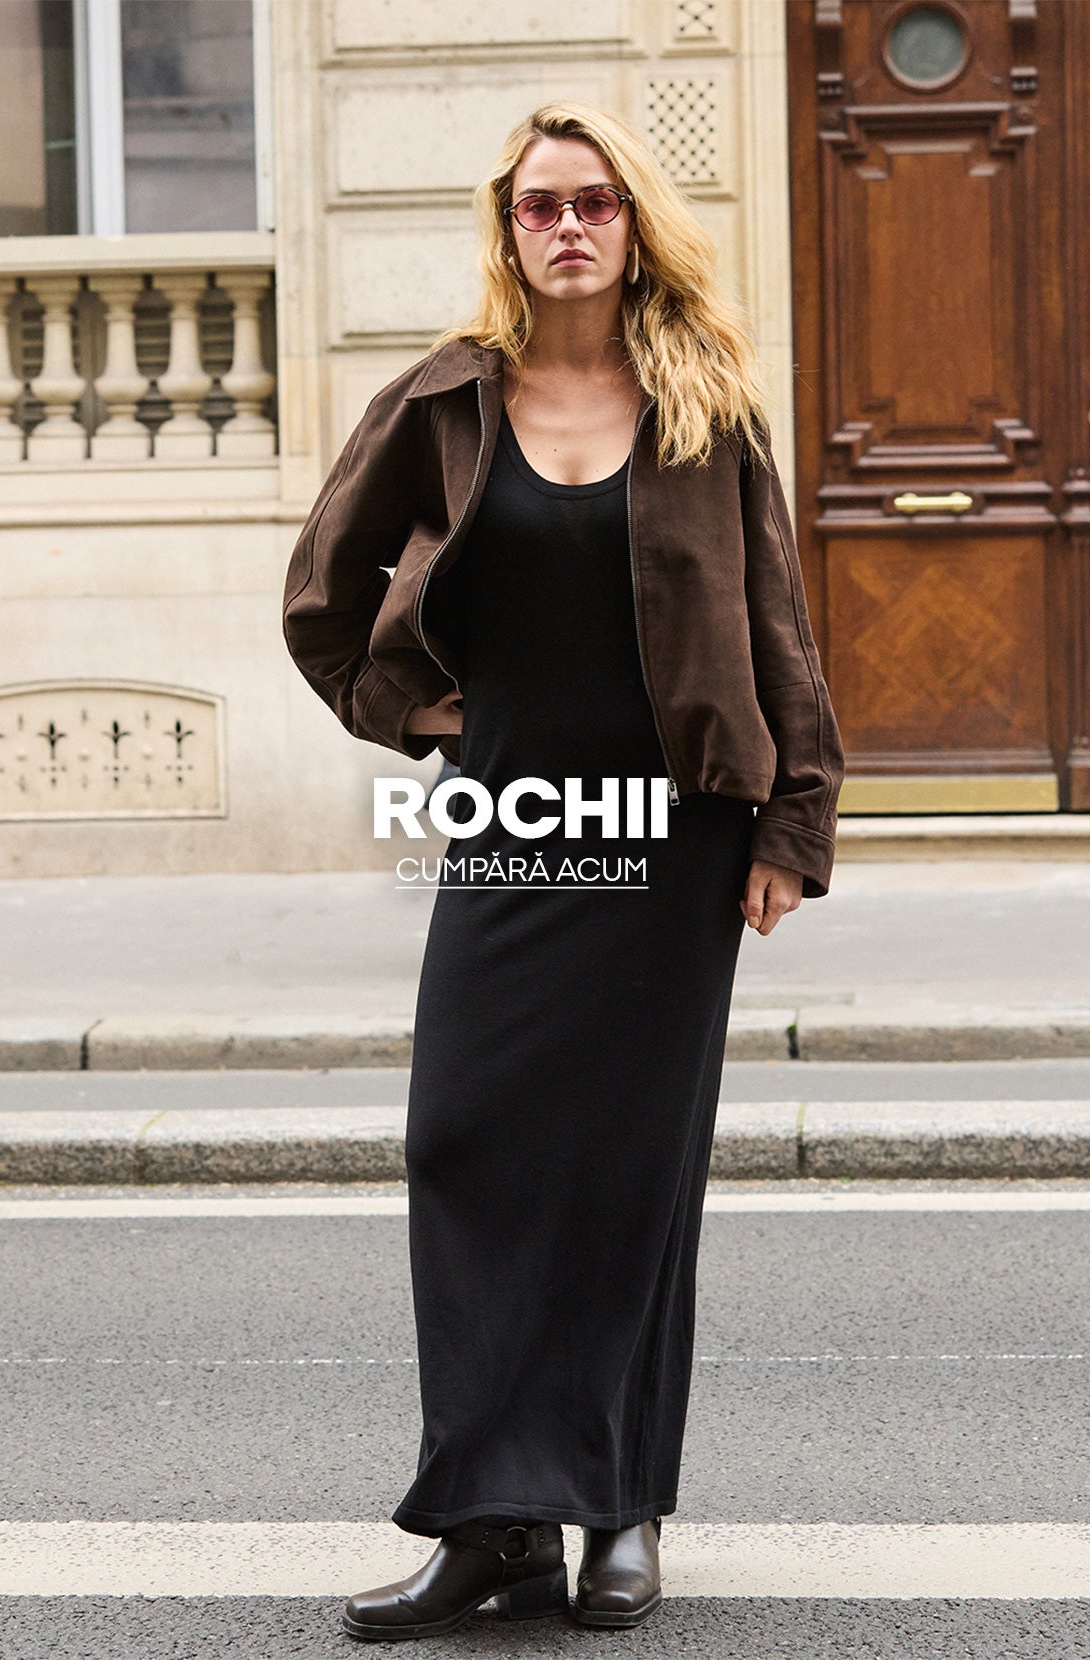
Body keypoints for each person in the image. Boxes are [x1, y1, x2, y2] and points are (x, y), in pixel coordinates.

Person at [282, 101, 845, 1643]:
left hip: (676, 835)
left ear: (634, 224)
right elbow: (322, 597)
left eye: (597, 201)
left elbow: (779, 626)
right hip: (517, 821)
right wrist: (420, 715)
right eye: (542, 205)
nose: (571, 226)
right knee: (463, 1143)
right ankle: (493, 1522)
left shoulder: (704, 401)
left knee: (627, 1177)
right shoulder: (444, 400)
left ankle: (619, 1511)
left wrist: (794, 825)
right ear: (509, 227)